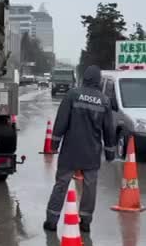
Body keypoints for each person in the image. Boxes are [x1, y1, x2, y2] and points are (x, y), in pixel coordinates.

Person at [43, 65, 116, 233]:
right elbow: (109, 129)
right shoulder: (104, 101)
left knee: (61, 184)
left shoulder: (72, 95)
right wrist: (110, 152)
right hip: (92, 152)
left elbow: (61, 121)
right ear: (98, 80)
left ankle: (52, 221)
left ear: (84, 77)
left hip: (70, 150)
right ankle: (85, 222)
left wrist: (54, 144)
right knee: (90, 187)